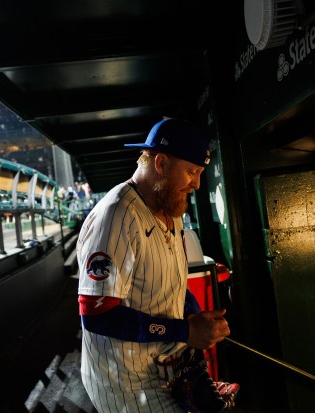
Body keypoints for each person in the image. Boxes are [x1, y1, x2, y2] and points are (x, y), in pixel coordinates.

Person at [76, 117, 239, 413]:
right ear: (161, 164)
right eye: (191, 172)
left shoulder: (171, 210)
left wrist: (195, 318)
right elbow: (97, 315)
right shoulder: (116, 216)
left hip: (165, 369)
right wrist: (184, 331)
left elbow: (171, 283)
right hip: (126, 382)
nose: (197, 184)